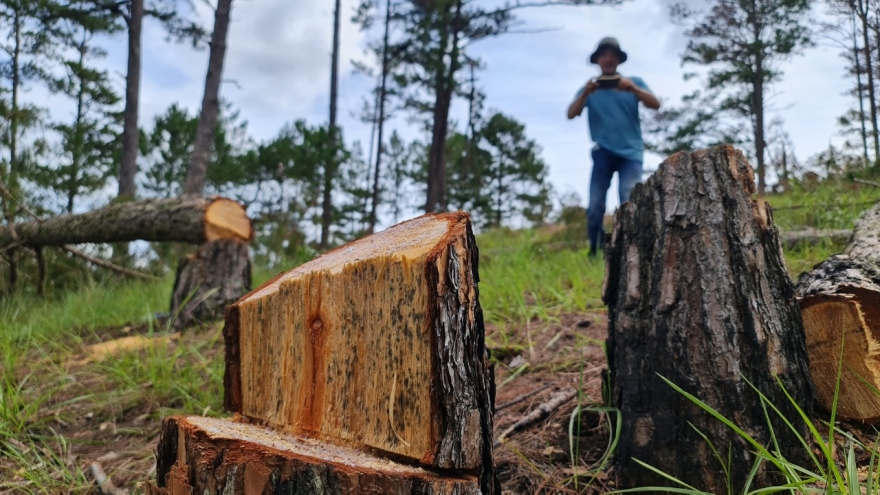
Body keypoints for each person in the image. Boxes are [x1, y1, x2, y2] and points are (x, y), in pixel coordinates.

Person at [567, 37, 660, 256]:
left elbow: (655, 104)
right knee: (595, 205)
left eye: (612, 55)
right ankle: (595, 250)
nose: (608, 59)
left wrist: (633, 89)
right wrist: (586, 93)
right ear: (597, 60)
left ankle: (631, 249)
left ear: (619, 60)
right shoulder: (589, 89)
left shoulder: (633, 82)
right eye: (604, 55)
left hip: (631, 153)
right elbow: (571, 113)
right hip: (603, 153)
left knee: (629, 199)